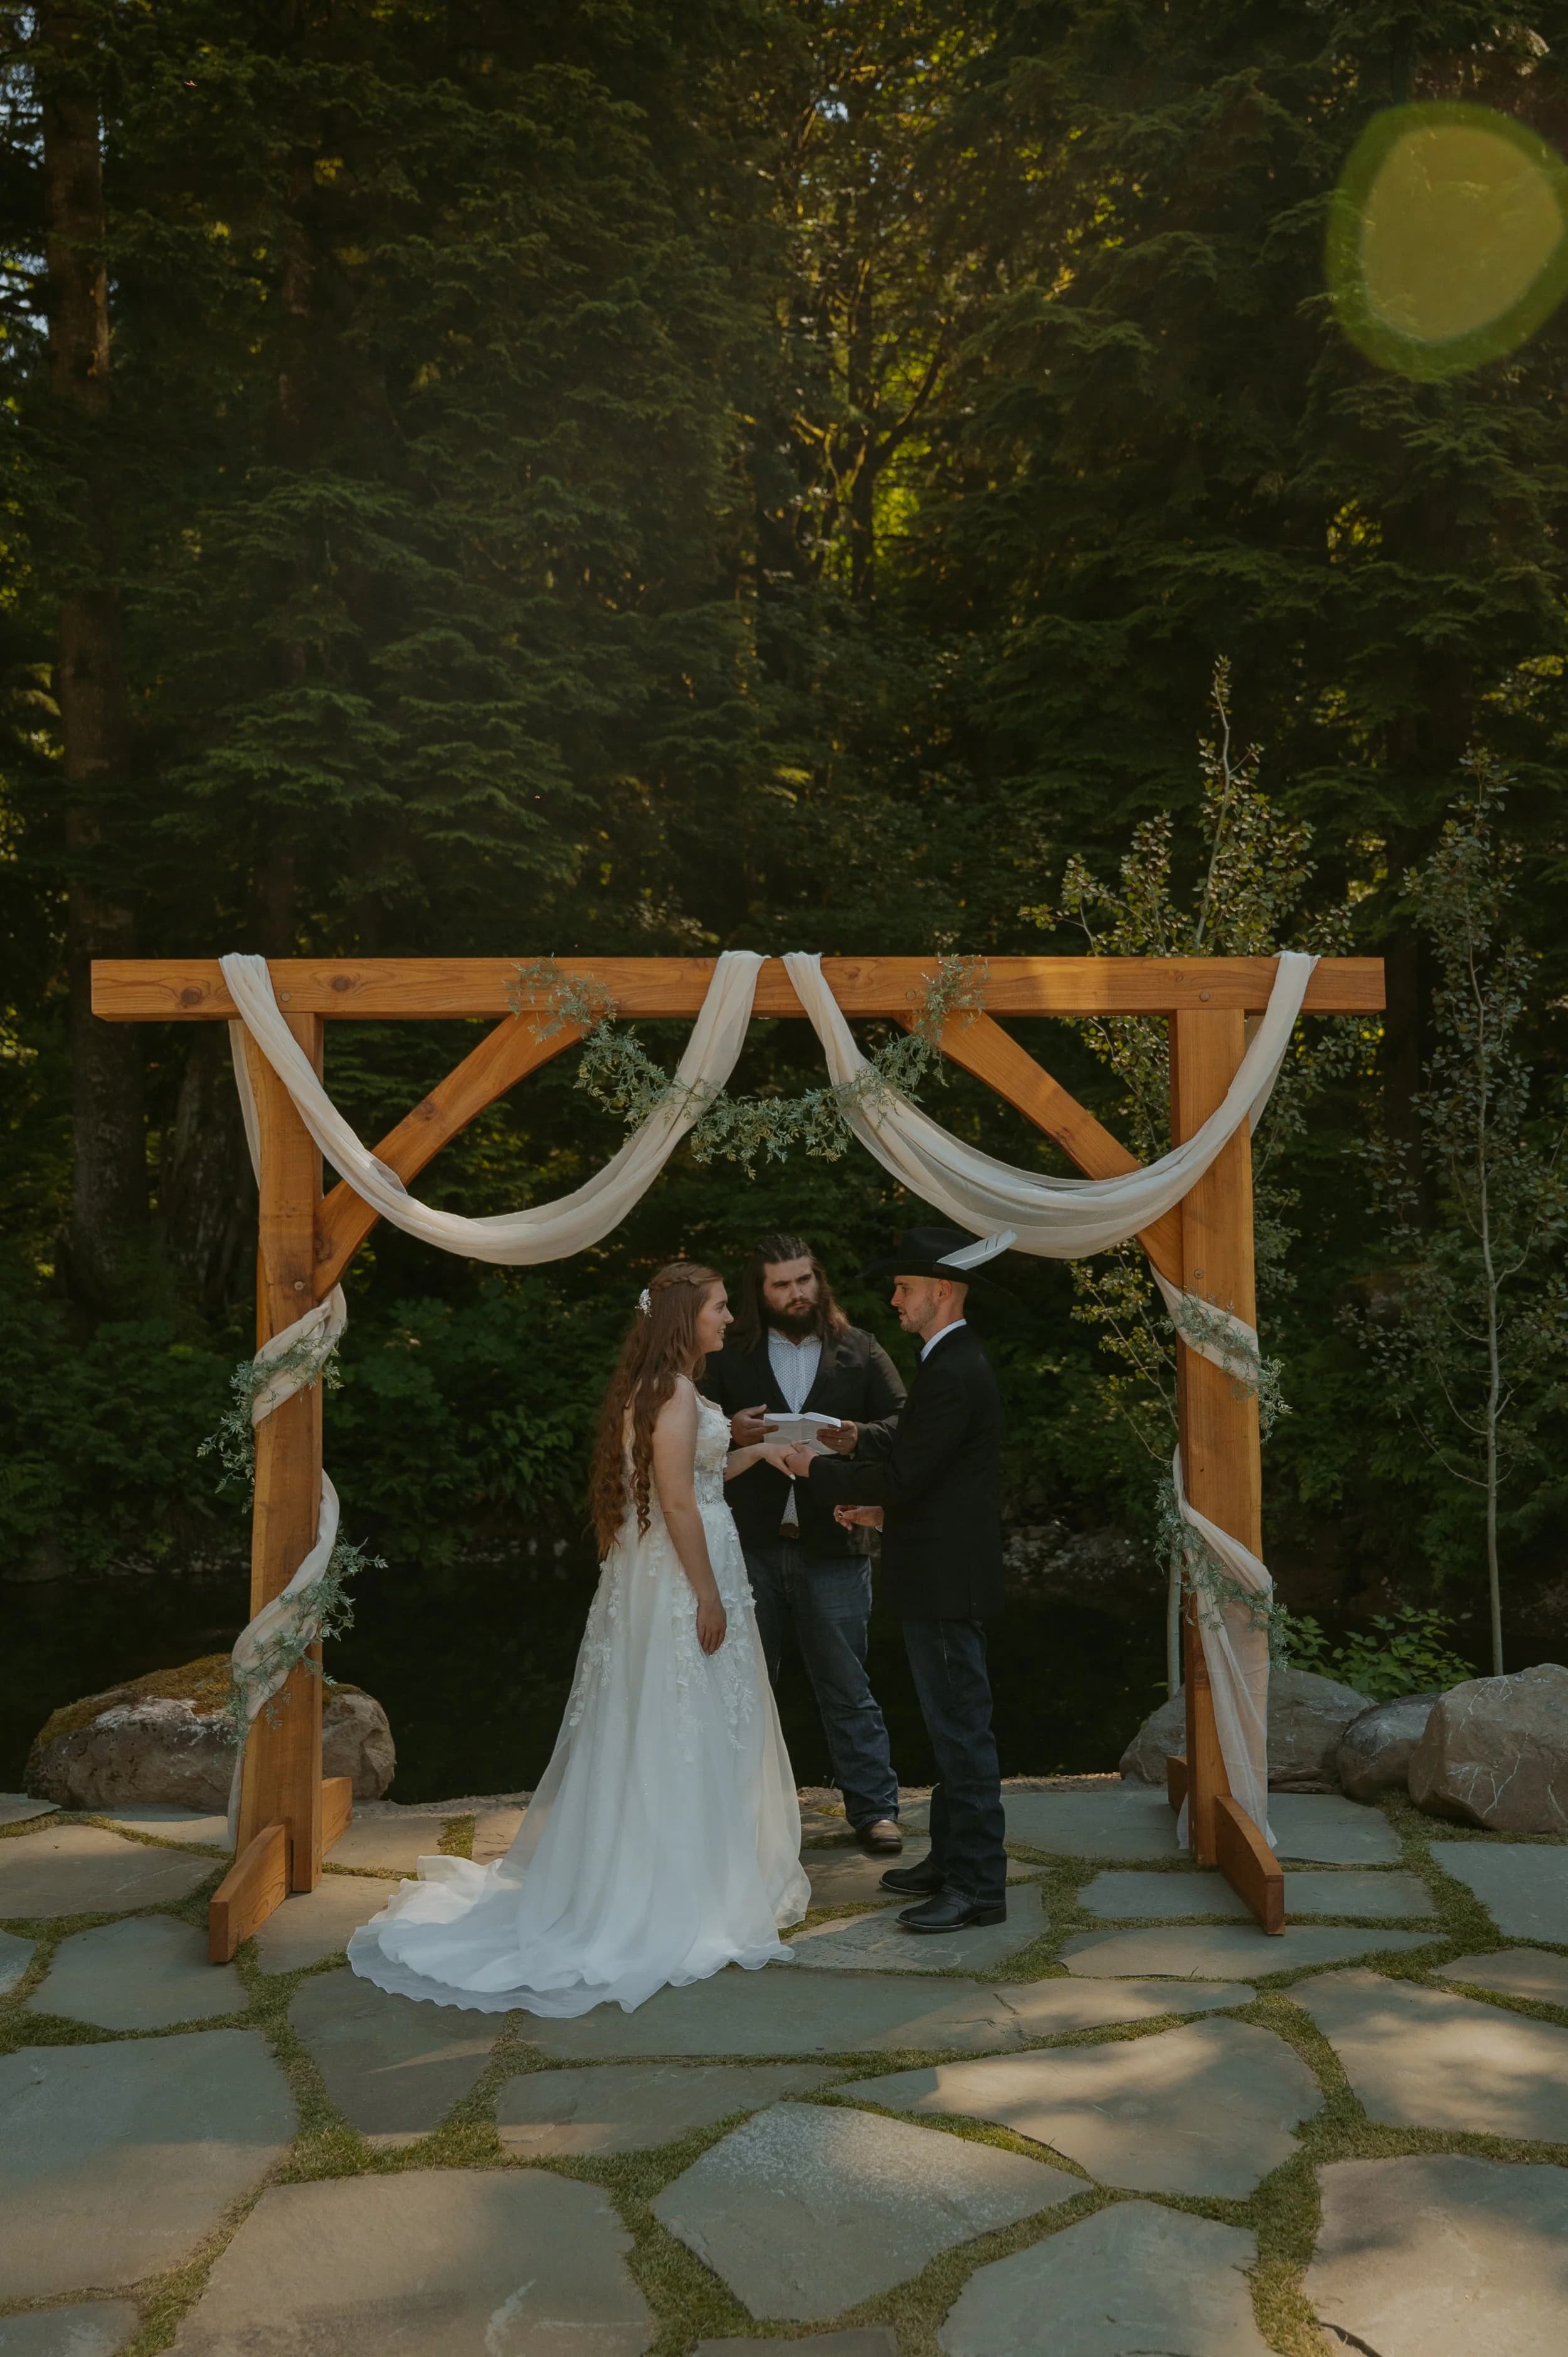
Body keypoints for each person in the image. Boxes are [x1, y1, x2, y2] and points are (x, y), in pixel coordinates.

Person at [347, 1261, 810, 2015]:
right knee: (680, 1725)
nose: (731, 1318)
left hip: (655, 1573)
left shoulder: (655, 1390)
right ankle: (676, 1891)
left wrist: (756, 1452)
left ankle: (681, 1870)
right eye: (721, 1307)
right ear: (686, 1316)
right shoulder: (677, 1394)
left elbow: (694, 1479)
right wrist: (706, 1594)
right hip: (680, 1575)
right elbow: (677, 1503)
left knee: (665, 1723)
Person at [779, 1227, 1007, 1933]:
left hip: (946, 1579)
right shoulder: (948, 1362)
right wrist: (863, 1457)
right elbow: (929, 1463)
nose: (894, 1299)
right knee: (949, 1725)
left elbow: (912, 1472)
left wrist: (812, 1469)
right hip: (939, 1569)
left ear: (942, 1291)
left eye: (905, 1288)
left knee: (962, 1730)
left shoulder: (955, 1366)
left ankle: (978, 1885)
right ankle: (949, 1857)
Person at [705, 1233, 908, 1855]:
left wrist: (853, 1436)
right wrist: (728, 1430)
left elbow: (906, 1423)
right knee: (744, 1686)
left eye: (803, 1280)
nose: (795, 1293)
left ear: (818, 1280)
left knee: (847, 1684)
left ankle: (874, 1809)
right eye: (780, 1284)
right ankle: (740, 1813)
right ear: (759, 1292)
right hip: (748, 1547)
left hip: (836, 1544)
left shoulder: (858, 1347)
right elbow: (686, 1432)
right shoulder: (729, 1355)